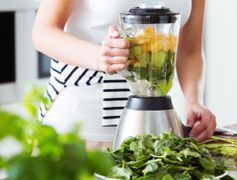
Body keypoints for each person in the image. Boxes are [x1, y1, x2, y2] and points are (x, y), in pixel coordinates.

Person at [32, 0, 216, 143]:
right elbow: (42, 32)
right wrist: (99, 56)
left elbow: (189, 50)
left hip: (156, 133)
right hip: (80, 132)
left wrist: (194, 100)